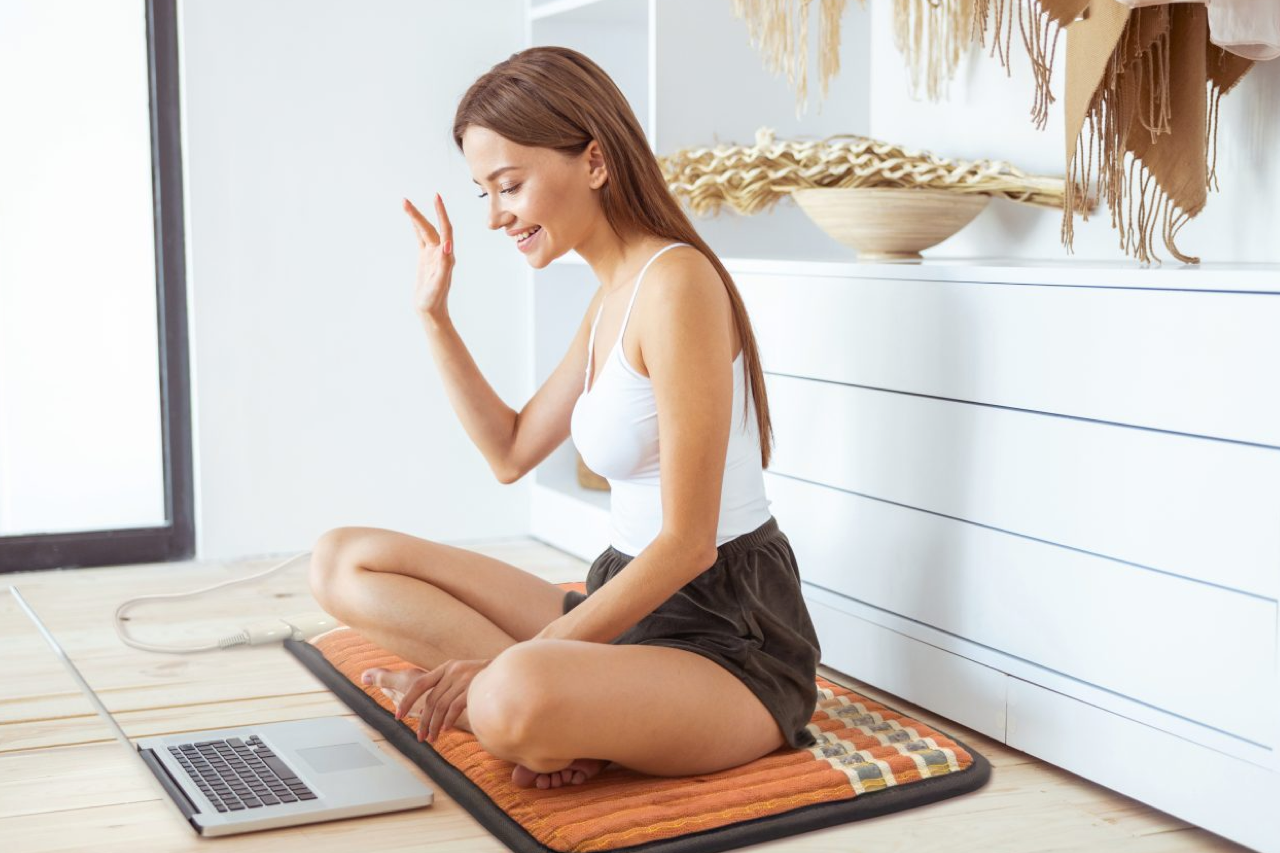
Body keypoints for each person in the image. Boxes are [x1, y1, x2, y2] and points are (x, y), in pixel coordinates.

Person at [308, 45, 821, 791]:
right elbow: (511, 451)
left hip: (728, 642)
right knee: (342, 559)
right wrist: (434, 316)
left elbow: (687, 545)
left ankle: (547, 710)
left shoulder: (676, 283)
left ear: (595, 161)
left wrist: (522, 658)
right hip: (624, 597)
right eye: (484, 192)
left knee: (509, 696)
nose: (494, 216)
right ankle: (568, 714)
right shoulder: (608, 294)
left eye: (508, 185)